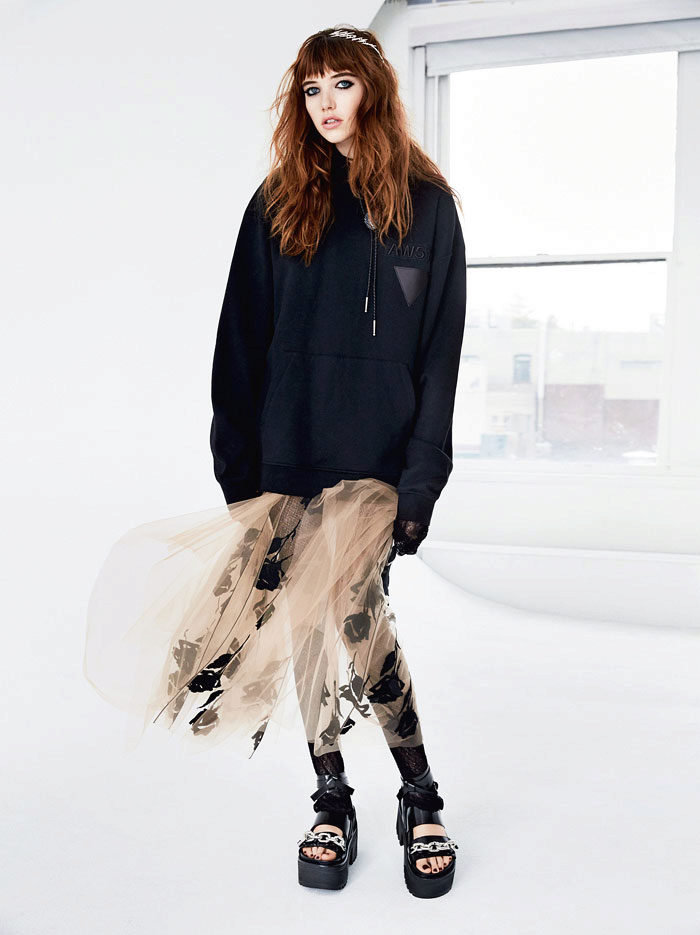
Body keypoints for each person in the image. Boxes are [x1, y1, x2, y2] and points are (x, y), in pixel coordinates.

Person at [208, 25, 467, 897]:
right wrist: (242, 478)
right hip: (287, 456)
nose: (325, 103)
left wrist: (422, 479)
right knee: (306, 624)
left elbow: (438, 359)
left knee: (356, 613)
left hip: (378, 462)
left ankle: (420, 794)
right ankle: (331, 796)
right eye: (312, 88)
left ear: (374, 92)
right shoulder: (277, 202)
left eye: (342, 84)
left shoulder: (427, 208)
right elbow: (238, 346)